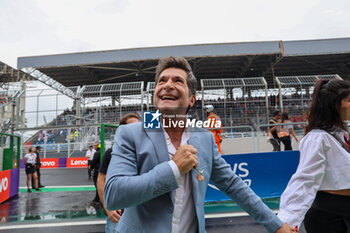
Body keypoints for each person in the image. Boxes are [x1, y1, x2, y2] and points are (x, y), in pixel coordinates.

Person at [104, 56, 293, 233]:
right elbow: (114, 194)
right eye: (162, 81)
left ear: (192, 99)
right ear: (155, 95)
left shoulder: (204, 138)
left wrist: (275, 225)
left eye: (178, 81)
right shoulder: (130, 133)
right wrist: (174, 168)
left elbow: (234, 186)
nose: (167, 85)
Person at [278, 79, 350, 232]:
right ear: (334, 104)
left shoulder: (341, 135)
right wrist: (287, 221)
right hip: (329, 216)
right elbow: (305, 180)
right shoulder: (317, 139)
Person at [97, 113, 139, 233]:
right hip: (118, 212)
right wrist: (108, 208)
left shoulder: (144, 152)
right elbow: (101, 180)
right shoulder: (112, 153)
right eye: (133, 127)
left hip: (139, 211)